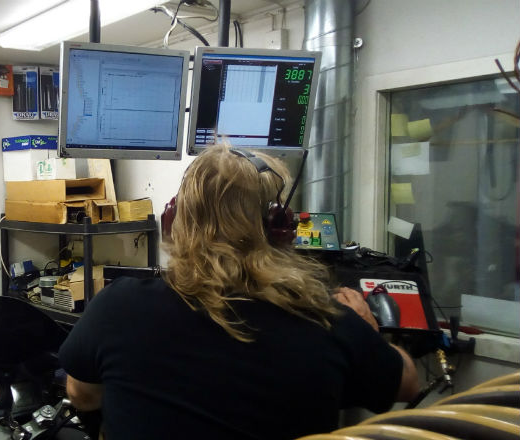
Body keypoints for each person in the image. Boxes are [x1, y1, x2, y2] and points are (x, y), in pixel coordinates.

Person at [58, 145, 419, 439]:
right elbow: (406, 384)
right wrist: (367, 329)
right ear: (281, 229)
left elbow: (81, 395)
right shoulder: (328, 320)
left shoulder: (119, 306)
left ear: (172, 221)